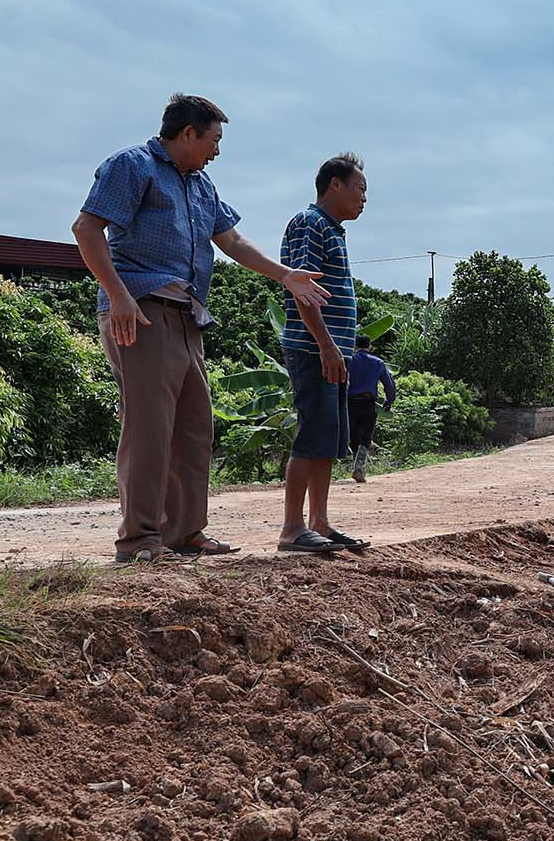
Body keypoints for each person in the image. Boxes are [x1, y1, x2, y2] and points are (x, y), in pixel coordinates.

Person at [71, 94, 329, 564]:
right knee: (149, 428)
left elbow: (232, 240)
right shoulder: (133, 165)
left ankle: (185, 533)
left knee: (193, 428)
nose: (217, 151)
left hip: (187, 315)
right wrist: (118, 295)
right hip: (141, 311)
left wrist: (285, 276)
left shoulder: (201, 184)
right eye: (214, 140)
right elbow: (86, 229)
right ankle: (139, 540)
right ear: (188, 133)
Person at [275, 153, 370, 553]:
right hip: (313, 350)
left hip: (332, 353)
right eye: (359, 188)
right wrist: (326, 345)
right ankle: (292, 528)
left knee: (327, 439)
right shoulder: (310, 224)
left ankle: (320, 522)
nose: (364, 198)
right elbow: (303, 292)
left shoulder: (332, 230)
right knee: (312, 433)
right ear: (335, 184)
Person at [346, 334, 396, 483]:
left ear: (355, 346)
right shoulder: (378, 362)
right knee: (366, 435)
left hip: (350, 403)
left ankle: (357, 465)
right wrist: (389, 400)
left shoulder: (348, 361)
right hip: (368, 403)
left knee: (353, 435)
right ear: (370, 346)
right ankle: (359, 466)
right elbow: (389, 385)